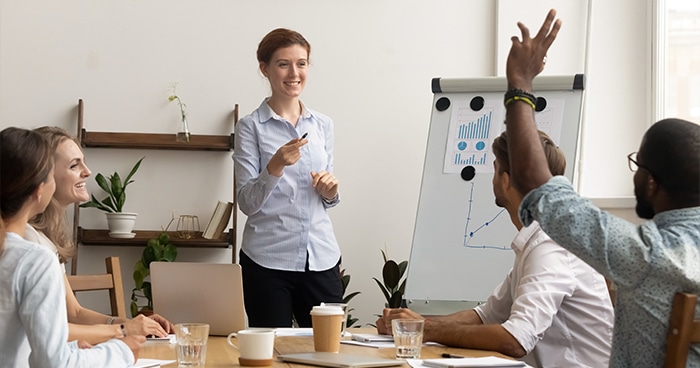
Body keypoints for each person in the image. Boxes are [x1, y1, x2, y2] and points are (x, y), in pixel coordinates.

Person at [503, 9, 700, 367]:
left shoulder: (649, 255)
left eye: (637, 165)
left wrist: (520, 83)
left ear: (652, 182)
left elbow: (535, 184)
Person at [377, 130, 614, 367]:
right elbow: (486, 316)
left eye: (495, 168)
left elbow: (516, 339)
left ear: (506, 179)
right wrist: (414, 324)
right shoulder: (538, 241)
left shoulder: (551, 248)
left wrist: (426, 330)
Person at [0, 127, 144, 366]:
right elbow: (54, 362)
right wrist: (122, 349)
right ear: (40, 188)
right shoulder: (33, 257)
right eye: (74, 165)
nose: (86, 172)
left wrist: (74, 346)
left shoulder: (33, 252)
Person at [233, 28, 343, 327]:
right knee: (269, 352)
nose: (294, 72)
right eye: (283, 64)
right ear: (264, 68)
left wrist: (330, 191)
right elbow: (246, 202)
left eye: (302, 63)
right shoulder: (250, 127)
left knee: (330, 349)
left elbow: (327, 198)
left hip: (320, 256)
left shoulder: (323, 125)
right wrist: (275, 167)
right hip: (267, 260)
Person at [25, 126, 174, 345]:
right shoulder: (30, 243)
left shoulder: (45, 241)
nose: (88, 171)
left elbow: (74, 312)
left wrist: (134, 323)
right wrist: (124, 329)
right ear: (44, 177)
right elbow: (48, 331)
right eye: (74, 165)